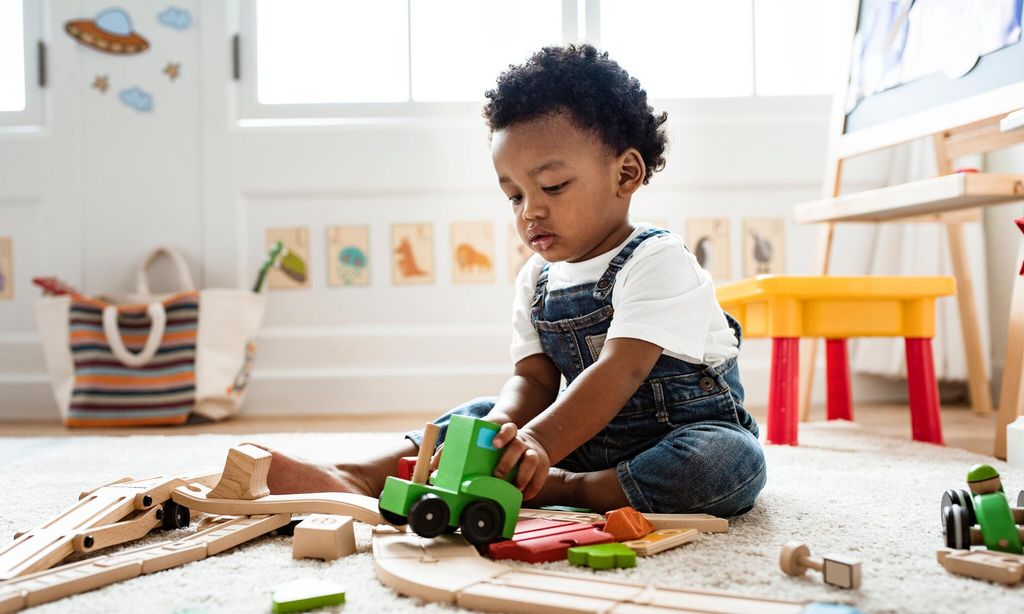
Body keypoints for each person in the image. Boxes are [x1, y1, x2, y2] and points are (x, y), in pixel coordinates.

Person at [258, 43, 766, 516]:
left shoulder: (658, 260)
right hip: (577, 436)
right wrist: (500, 430)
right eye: (514, 195)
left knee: (726, 462)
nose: (531, 211)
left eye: (552, 186)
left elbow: (620, 372)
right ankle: (359, 476)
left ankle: (571, 490)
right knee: (478, 415)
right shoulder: (537, 278)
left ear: (626, 174)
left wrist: (540, 444)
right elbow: (534, 381)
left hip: (674, 436)